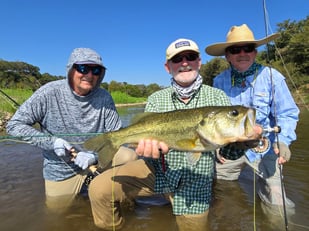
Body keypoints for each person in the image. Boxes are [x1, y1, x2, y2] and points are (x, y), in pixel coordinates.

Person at [88, 38, 232, 230]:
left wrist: (244, 142)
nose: (184, 63)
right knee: (99, 189)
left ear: (199, 62)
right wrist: (146, 149)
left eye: (190, 57)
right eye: (177, 59)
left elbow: (230, 153)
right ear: (167, 67)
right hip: (158, 171)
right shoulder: (156, 98)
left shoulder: (218, 98)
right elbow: (147, 140)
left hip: (196, 182)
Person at [6, 47, 137, 211]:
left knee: (130, 156)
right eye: (83, 68)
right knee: (56, 215)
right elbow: (14, 125)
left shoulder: (104, 97)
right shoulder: (48, 92)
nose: (89, 75)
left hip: (96, 158)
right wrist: (52, 142)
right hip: (61, 169)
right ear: (70, 69)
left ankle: (119, 195)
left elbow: (117, 135)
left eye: (96, 70)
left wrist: (94, 157)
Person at [204, 24, 300, 210]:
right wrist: (214, 147)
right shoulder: (218, 81)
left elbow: (287, 113)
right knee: (222, 194)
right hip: (229, 150)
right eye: (235, 50)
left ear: (255, 53)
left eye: (248, 48)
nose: (242, 53)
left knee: (278, 204)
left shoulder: (273, 77)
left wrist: (284, 141)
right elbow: (213, 120)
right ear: (227, 56)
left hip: (266, 148)